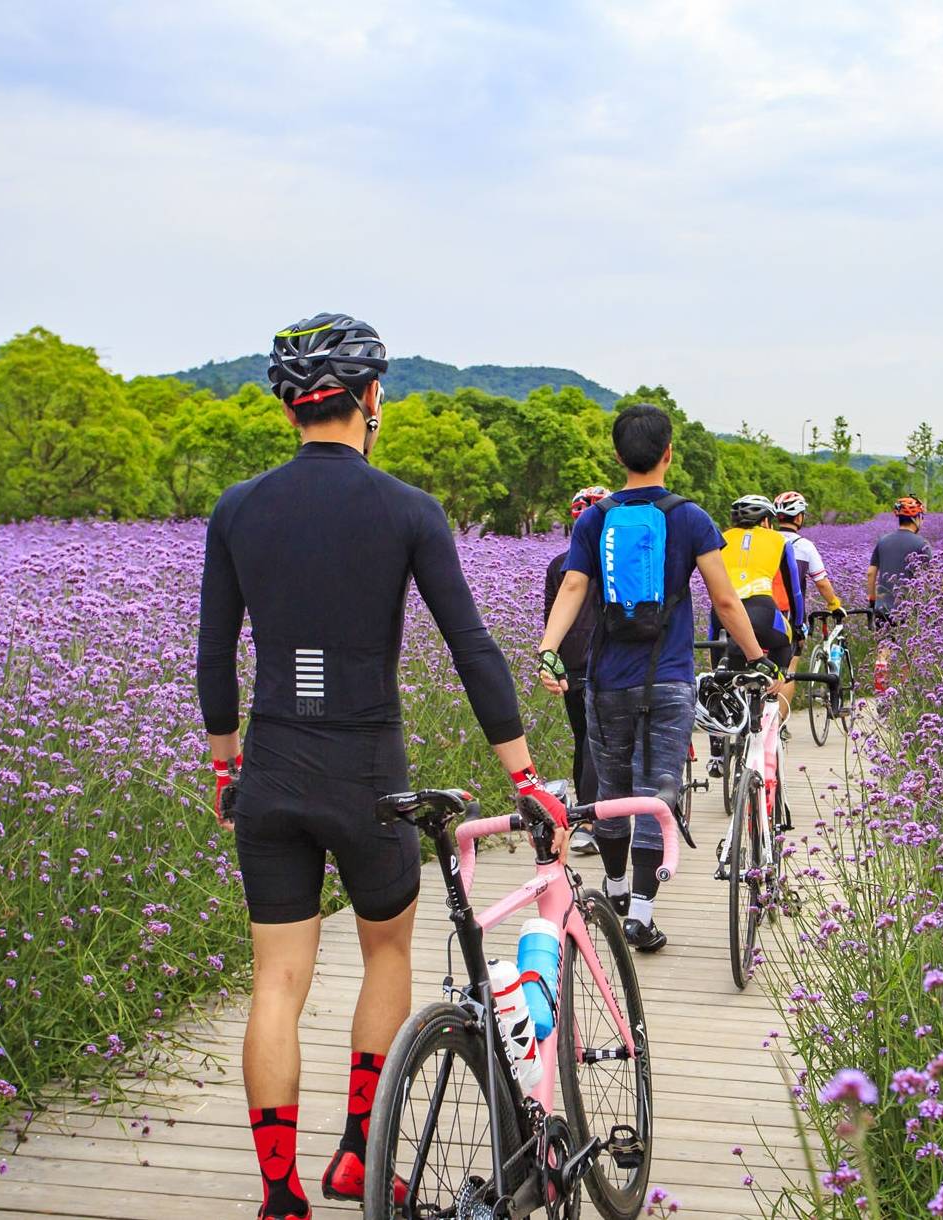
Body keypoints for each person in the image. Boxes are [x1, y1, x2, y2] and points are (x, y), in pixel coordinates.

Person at [197, 312, 567, 1220]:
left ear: (291, 406)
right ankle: (361, 1157)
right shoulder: (407, 509)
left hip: (274, 771)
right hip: (366, 771)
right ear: (369, 398)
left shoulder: (239, 508)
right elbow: (472, 648)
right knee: (385, 950)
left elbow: (214, 655)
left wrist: (226, 765)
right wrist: (523, 778)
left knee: (275, 982)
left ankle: (279, 1195)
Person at [535, 405, 777, 952]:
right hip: (668, 679)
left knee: (612, 788)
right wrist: (756, 655)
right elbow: (723, 598)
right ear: (669, 452)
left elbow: (573, 589)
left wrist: (548, 651)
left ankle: (614, 890)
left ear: (618, 456)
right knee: (655, 792)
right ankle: (641, 914)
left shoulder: (595, 518)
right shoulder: (689, 517)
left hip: (606, 680)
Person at [705, 494, 803, 782]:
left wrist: (715, 644)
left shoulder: (719, 538)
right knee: (784, 643)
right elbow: (793, 590)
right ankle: (774, 691)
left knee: (721, 677)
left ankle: (717, 748)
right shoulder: (779, 540)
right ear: (766, 520)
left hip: (723, 615)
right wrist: (799, 628)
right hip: (762, 611)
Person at [546, 485, 610, 854]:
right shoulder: (612, 560)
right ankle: (587, 821)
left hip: (569, 662)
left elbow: (550, 617)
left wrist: (550, 658)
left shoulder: (558, 563)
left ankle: (585, 815)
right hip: (601, 661)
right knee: (593, 740)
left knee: (583, 736)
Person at [770, 490, 845, 630]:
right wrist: (834, 605)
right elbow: (821, 583)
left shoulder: (767, 541)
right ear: (798, 518)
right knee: (793, 648)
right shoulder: (805, 546)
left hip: (764, 607)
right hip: (790, 611)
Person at [866, 495, 933, 620]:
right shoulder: (922, 544)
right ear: (916, 518)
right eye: (922, 517)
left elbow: (871, 573)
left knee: (883, 639)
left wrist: (872, 601)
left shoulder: (883, 541)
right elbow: (932, 579)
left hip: (882, 611)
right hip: (908, 613)